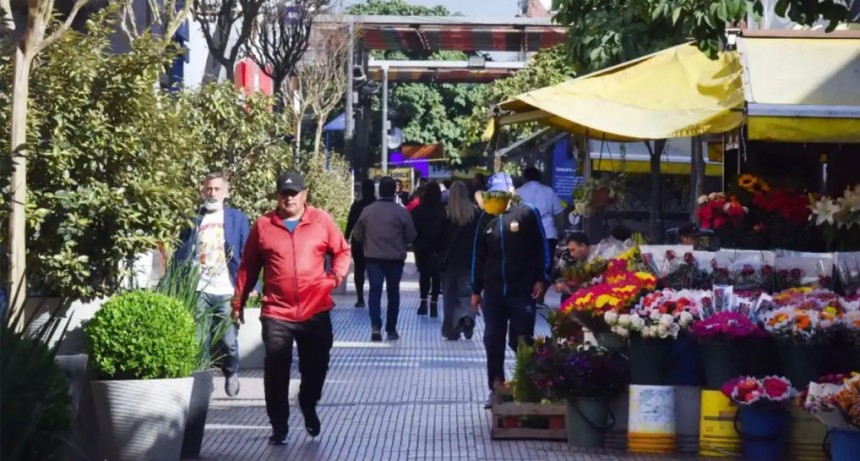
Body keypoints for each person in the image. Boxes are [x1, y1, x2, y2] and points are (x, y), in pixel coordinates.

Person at [231, 171, 351, 445]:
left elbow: (342, 251)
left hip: (315, 309)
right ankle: (279, 425)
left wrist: (333, 278)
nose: (289, 199)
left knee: (317, 368)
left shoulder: (321, 220)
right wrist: (238, 302)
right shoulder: (264, 225)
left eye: (294, 193)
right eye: (284, 194)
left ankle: (308, 403)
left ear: (304, 195)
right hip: (277, 312)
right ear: (277, 196)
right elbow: (249, 265)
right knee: (276, 370)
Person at [471, 172, 550, 408]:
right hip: (494, 291)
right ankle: (496, 386)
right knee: (492, 339)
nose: (498, 198)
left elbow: (541, 248)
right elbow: (478, 255)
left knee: (521, 339)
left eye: (501, 193)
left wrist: (542, 279)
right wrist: (476, 290)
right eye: (493, 193)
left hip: (521, 289)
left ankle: (526, 385)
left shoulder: (527, 213)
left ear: (512, 192)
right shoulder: (487, 217)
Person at [173, 172, 250, 397]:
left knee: (228, 339)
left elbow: (247, 253)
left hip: (226, 288)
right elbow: (181, 249)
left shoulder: (237, 218)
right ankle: (205, 380)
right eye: (209, 189)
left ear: (225, 193)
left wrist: (251, 285)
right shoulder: (194, 218)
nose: (212, 193)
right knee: (200, 337)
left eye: (217, 189)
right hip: (199, 288)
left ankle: (231, 371)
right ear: (202, 191)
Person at [353, 176, 417, 342]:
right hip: (395, 259)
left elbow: (358, 235)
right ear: (394, 190)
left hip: (373, 259)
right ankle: (391, 328)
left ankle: (375, 326)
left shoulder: (368, 211)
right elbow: (411, 236)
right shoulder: (401, 211)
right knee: (393, 293)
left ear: (379, 190)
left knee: (374, 292)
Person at [516, 167, 564, 308]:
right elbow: (560, 213)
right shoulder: (548, 191)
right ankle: (540, 294)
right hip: (548, 233)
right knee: (545, 264)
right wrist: (560, 231)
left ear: (525, 178)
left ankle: (526, 292)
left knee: (526, 263)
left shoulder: (518, 192)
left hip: (524, 235)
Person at [439, 181, 480, 340]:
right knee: (468, 294)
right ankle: (467, 319)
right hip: (470, 260)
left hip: (449, 262)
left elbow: (439, 239)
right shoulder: (475, 214)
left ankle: (450, 329)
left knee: (449, 296)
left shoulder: (446, 214)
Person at [410, 182, 445, 317]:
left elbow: (412, 229)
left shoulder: (418, 211)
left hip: (421, 248)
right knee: (436, 277)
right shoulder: (443, 211)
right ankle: (434, 304)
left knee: (424, 275)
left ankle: (423, 303)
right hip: (438, 248)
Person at [345, 179, 376, 308]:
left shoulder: (357, 205)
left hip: (358, 241)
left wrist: (346, 237)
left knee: (359, 269)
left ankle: (360, 298)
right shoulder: (376, 205)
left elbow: (350, 222)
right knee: (374, 270)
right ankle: (374, 297)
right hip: (374, 241)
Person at [552, 232, 592, 304]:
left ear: (583, 246)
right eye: (570, 251)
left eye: (573, 250)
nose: (571, 254)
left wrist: (567, 289)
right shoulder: (576, 259)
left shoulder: (596, 260)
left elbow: (589, 291)